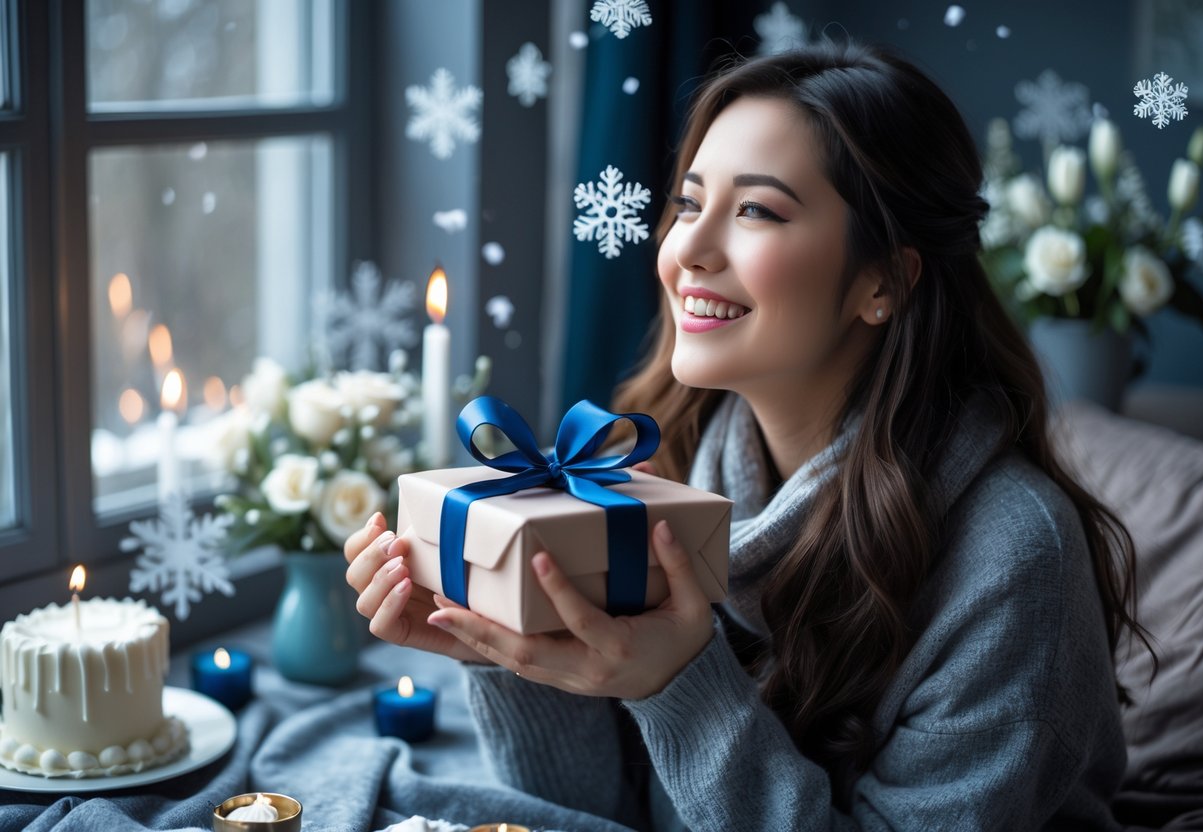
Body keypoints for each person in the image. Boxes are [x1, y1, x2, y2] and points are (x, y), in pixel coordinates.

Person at [345, 40, 1152, 830]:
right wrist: (503, 647)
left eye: (756, 211)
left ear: (884, 281)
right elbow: (601, 811)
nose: (685, 249)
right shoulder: (658, 462)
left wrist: (679, 686)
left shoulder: (1013, 559)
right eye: (690, 203)